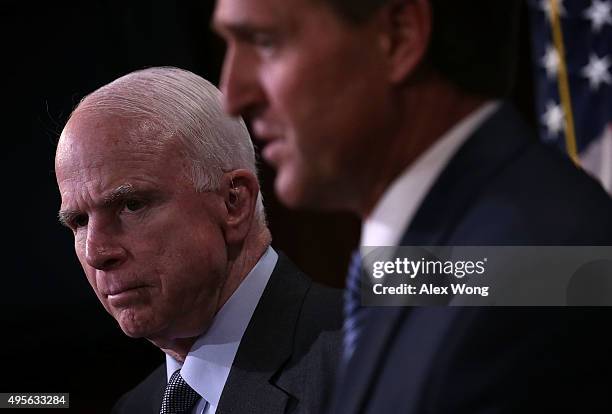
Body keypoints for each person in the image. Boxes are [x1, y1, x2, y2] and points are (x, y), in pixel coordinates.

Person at [212, 0, 612, 412]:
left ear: (399, 37)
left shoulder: (546, 269)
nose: (233, 97)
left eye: (265, 42)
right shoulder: (447, 247)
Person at [55, 67, 342, 414]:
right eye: (79, 221)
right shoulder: (133, 408)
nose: (97, 252)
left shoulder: (366, 356)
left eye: (131, 205)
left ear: (233, 203)